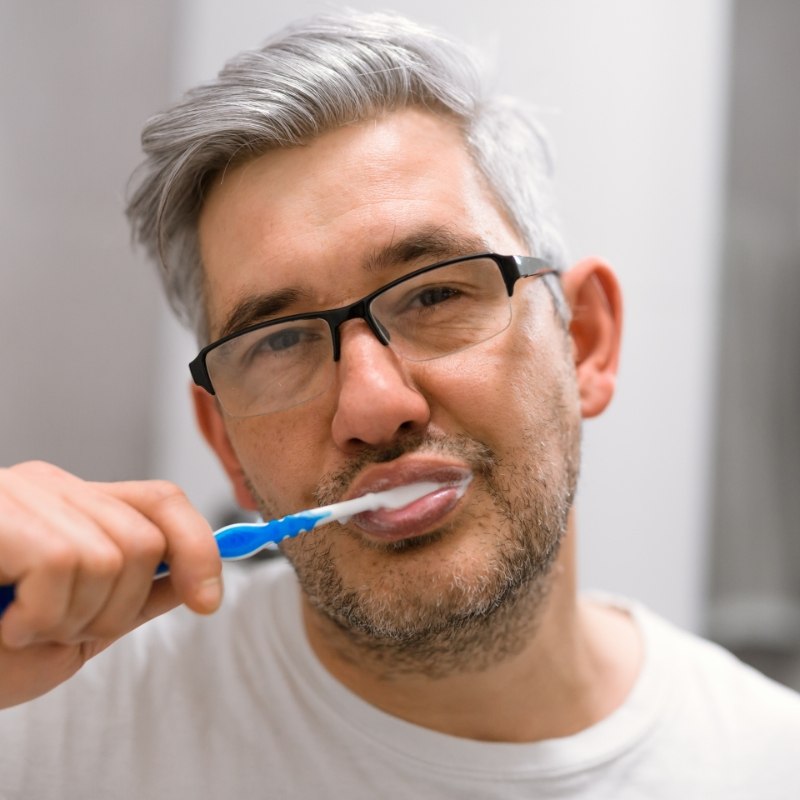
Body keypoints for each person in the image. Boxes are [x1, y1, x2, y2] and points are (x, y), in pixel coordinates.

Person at [0, 10, 798, 799]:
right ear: (227, 447)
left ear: (585, 340)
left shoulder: (768, 768)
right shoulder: (45, 719)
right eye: (278, 343)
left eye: (436, 294)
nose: (375, 407)